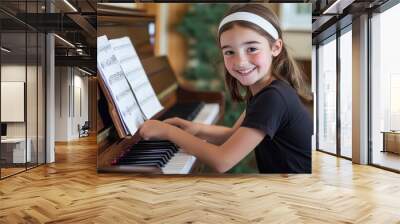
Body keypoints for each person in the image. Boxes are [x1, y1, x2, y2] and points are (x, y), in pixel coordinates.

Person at [139, 4, 312, 173]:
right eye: (229, 52)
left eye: (251, 48)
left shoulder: (273, 98)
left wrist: (168, 132)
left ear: (275, 47)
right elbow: (232, 133)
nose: (240, 61)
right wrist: (197, 129)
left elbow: (222, 161)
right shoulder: (266, 89)